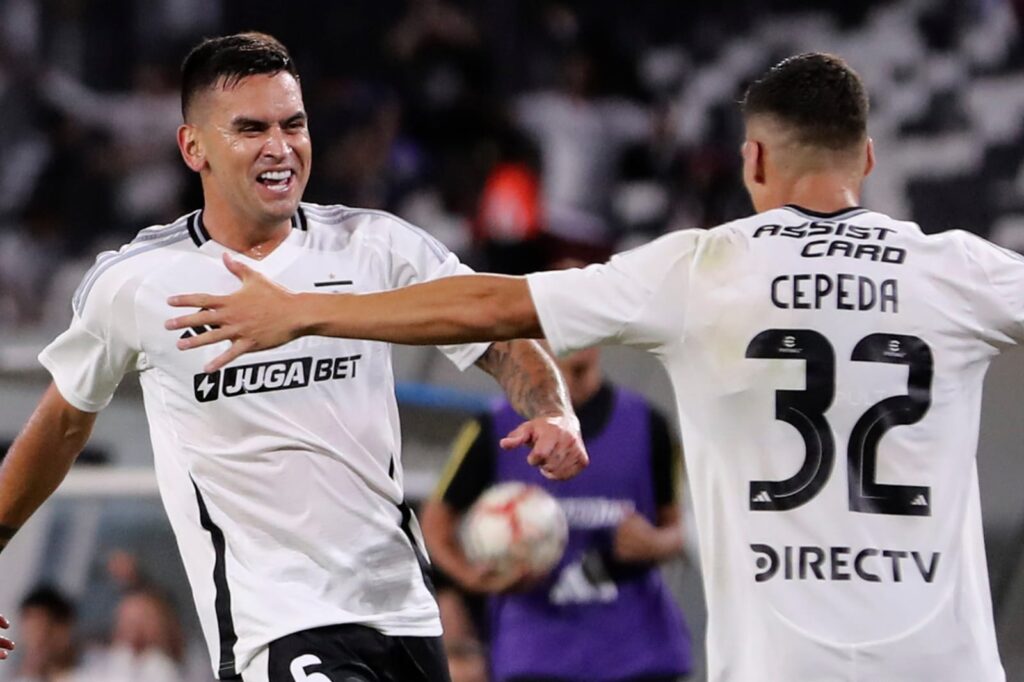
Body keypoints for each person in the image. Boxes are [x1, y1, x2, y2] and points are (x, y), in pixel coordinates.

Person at [157, 51, 1024, 680]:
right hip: (947, 661)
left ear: (752, 161)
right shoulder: (963, 270)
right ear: (868, 159)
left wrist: (302, 309)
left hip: (780, 663)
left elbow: (487, 304)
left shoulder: (701, 269)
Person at [0, 32, 588, 682]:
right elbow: (60, 423)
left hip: (404, 615)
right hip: (276, 623)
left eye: (294, 124)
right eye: (251, 129)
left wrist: (553, 408)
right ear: (193, 147)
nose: (280, 148)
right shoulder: (137, 281)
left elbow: (499, 334)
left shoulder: (375, 248)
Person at [422, 343, 692, 682]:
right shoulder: (493, 427)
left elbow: (680, 529)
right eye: (561, 324)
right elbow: (435, 522)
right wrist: (473, 577)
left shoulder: (649, 423)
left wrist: (656, 544)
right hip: (536, 654)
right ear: (535, 337)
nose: (575, 337)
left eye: (586, 325)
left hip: (639, 652)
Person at [10, 586, 78, 682]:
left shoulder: (99, 671)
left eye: (44, 632)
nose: (36, 644)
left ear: (64, 628)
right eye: (29, 634)